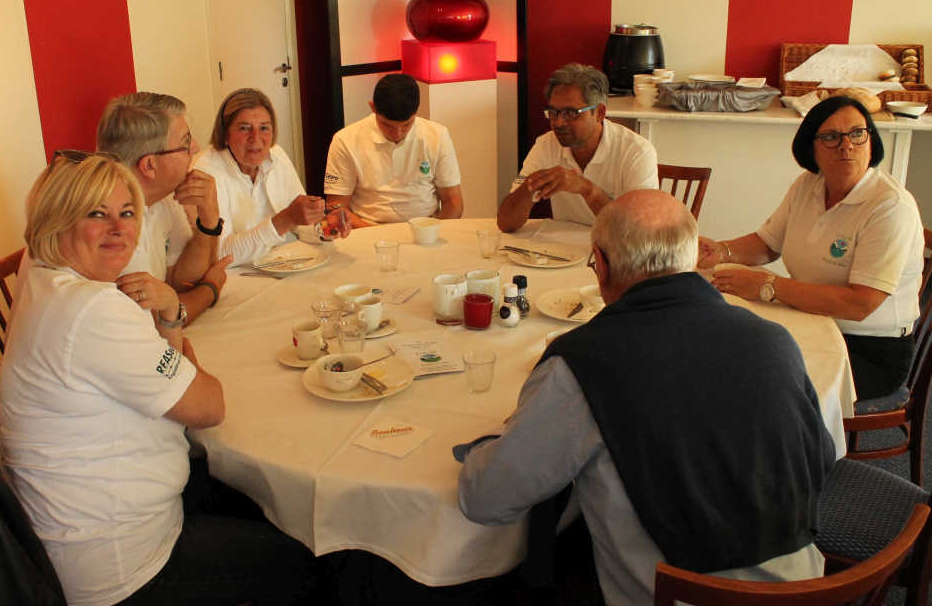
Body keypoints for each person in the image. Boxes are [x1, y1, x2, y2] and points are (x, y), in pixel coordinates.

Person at [456, 189, 834, 606]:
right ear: (692, 258)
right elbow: (822, 460)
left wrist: (488, 446)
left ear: (601, 265)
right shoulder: (773, 341)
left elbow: (486, 499)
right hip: (804, 599)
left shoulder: (586, 364)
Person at [0, 153, 317, 606]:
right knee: (307, 553)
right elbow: (209, 406)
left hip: (66, 534)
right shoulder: (93, 309)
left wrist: (170, 314)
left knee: (255, 493)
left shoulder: (45, 277)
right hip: (120, 568)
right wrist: (176, 331)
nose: (119, 230)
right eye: (96, 214)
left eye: (127, 213)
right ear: (57, 221)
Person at [698, 96, 923, 402]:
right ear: (810, 149)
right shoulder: (808, 185)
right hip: (810, 320)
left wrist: (769, 286)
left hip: (868, 350)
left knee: (757, 377)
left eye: (857, 133)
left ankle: (786, 435)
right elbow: (767, 244)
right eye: (831, 137)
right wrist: (722, 251)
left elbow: (860, 304)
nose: (846, 146)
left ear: (872, 141)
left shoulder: (890, 207)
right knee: (727, 346)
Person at [97, 92, 230, 325]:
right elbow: (155, 322)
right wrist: (210, 290)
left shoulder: (162, 196)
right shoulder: (111, 226)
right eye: (185, 142)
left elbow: (181, 282)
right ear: (149, 166)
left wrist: (209, 219)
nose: (195, 148)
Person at [192, 88, 348, 266]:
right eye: (244, 128)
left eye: (264, 128)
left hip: (284, 263)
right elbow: (219, 254)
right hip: (236, 276)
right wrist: (285, 220)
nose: (256, 138)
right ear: (225, 134)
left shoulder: (276, 154)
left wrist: (326, 228)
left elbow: (300, 224)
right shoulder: (206, 171)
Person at [496, 63, 658, 232]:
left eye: (570, 113)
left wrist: (587, 189)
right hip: (564, 245)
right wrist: (530, 185)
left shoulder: (637, 152)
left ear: (599, 113)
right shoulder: (546, 145)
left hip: (614, 246)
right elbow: (506, 223)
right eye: (553, 113)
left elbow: (639, 232)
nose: (558, 122)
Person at [324, 73, 464, 227]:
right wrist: (380, 235)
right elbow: (335, 207)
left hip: (425, 227)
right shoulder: (345, 140)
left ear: (416, 111)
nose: (397, 133)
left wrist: (430, 231)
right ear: (373, 108)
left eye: (406, 125)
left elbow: (453, 202)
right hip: (367, 228)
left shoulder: (437, 135)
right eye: (387, 125)